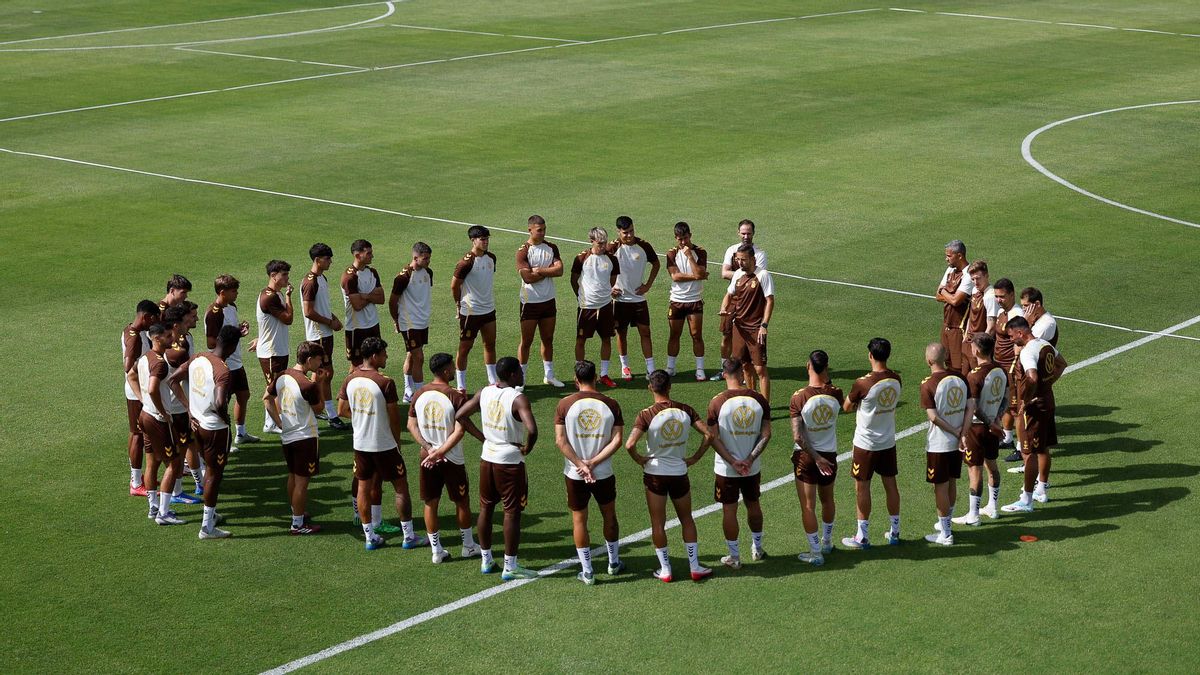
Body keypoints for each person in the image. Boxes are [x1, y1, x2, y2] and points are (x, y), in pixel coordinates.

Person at [625, 370, 718, 582]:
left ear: (650, 388)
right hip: (679, 473)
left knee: (658, 523)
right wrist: (694, 457)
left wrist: (639, 458)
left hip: (655, 474)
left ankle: (665, 569)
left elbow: (629, 444)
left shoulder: (646, 414)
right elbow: (709, 435)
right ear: (670, 387)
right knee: (687, 519)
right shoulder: (685, 410)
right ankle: (694, 567)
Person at [337, 337, 428, 550]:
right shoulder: (385, 382)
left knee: (363, 487)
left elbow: (341, 410)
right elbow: (394, 418)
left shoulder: (349, 379)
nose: (387, 356)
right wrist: (397, 442)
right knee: (400, 487)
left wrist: (362, 417)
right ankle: (409, 536)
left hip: (360, 444)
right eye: (384, 353)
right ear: (375, 355)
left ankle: (370, 537)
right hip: (384, 444)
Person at [455, 357, 539, 580]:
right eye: (519, 371)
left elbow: (460, 415)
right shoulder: (518, 398)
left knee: (486, 508)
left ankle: (486, 559)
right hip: (509, 461)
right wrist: (527, 448)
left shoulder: (485, 392)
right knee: (511, 512)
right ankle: (510, 565)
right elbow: (532, 429)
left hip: (487, 458)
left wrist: (483, 438)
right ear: (512, 375)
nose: (522, 374)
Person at [554, 360, 626, 584]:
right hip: (603, 472)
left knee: (579, 520)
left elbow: (560, 441)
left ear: (576, 380)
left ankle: (587, 571)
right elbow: (617, 440)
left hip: (575, 473)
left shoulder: (564, 404)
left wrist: (581, 464)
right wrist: (594, 463)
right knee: (609, 515)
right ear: (595, 377)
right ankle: (613, 562)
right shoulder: (611, 404)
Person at [409, 352, 483, 564]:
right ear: (445, 371)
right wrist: (440, 452)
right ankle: (468, 546)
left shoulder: (419, 393)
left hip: (427, 457)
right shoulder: (454, 396)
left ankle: (436, 550)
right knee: (461, 501)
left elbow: (411, 425)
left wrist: (429, 448)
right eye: (451, 367)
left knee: (430, 503)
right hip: (451, 459)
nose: (453, 370)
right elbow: (460, 431)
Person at [167, 324, 241, 539]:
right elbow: (219, 402)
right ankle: (207, 527)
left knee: (209, 470)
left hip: (197, 424)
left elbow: (173, 380)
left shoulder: (198, 357)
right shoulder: (223, 370)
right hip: (215, 429)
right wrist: (224, 415)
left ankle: (212, 515)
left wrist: (189, 408)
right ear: (233, 346)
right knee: (214, 474)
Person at [708, 358, 771, 569]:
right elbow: (766, 434)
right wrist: (750, 459)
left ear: (724, 374)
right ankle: (758, 548)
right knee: (753, 504)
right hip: (752, 467)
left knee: (729, 510)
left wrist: (733, 462)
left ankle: (734, 557)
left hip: (727, 469)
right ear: (743, 374)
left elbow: (713, 438)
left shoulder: (717, 402)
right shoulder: (759, 399)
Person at [842, 338, 903, 549]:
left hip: (865, 444)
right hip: (887, 441)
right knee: (891, 485)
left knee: (862, 487)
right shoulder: (896, 379)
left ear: (870, 355)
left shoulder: (863, 383)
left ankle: (862, 536)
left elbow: (847, 407)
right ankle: (895, 532)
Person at [1002, 317, 1068, 512]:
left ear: (1020, 333)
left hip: (1034, 407)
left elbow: (1031, 377)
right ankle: (1041, 490)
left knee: (1028, 452)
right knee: (1043, 447)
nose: (1011, 340)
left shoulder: (1028, 351)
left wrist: (1025, 400)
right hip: (1048, 400)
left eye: (1012, 336)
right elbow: (1062, 363)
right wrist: (1047, 385)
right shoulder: (1044, 344)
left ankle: (1027, 499)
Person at [264, 340, 326, 535]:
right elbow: (319, 408)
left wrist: (279, 422)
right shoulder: (308, 385)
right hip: (305, 436)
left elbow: (266, 397)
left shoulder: (283, 375)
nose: (321, 364)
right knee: (302, 482)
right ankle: (297, 525)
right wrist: (320, 384)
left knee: (292, 475)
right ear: (309, 360)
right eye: (318, 360)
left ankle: (296, 512)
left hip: (288, 435)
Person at [790, 349, 843, 565]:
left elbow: (798, 436)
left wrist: (815, 457)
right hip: (829, 453)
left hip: (806, 457)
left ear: (808, 366)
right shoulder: (836, 393)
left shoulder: (799, 397)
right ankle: (827, 542)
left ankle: (815, 552)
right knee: (828, 499)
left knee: (808, 506)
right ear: (826, 367)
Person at [131, 324, 185, 525]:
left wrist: (142, 399)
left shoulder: (144, 357)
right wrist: (163, 411)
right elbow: (153, 389)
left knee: (152, 461)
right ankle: (164, 513)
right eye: (167, 335)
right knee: (174, 463)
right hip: (157, 419)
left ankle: (153, 506)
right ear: (157, 338)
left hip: (145, 415)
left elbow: (131, 375)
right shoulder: (160, 363)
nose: (172, 338)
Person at [953, 334, 1008, 525]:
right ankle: (992, 507)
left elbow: (974, 406)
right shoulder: (1001, 370)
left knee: (974, 471)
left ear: (976, 350)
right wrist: (998, 418)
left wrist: (989, 422)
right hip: (993, 427)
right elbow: (1006, 399)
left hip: (977, 429)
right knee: (992, 466)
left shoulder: (975, 375)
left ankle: (973, 515)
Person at [920, 343, 971, 546]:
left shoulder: (928, 384)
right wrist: (963, 433)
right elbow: (970, 407)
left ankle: (946, 534)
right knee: (951, 483)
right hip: (957, 443)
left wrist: (955, 431)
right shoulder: (960, 378)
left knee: (939, 487)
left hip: (939, 444)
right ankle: (945, 525)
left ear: (929, 361)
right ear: (946, 356)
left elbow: (933, 417)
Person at [205, 275, 257, 448]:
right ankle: (222, 439)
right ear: (222, 292)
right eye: (233, 291)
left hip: (236, 362)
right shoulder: (214, 313)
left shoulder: (231, 306)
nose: (237, 294)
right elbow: (211, 342)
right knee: (222, 402)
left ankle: (241, 434)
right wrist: (233, 335)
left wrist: (239, 330)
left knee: (244, 395)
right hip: (223, 365)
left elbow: (231, 331)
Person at [718, 244, 774, 399]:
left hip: (756, 328)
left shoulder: (763, 275)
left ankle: (765, 405)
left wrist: (764, 325)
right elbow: (729, 294)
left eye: (743, 260)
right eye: (738, 259)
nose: (740, 263)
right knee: (745, 366)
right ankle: (753, 399)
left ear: (753, 259)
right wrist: (724, 308)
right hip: (739, 327)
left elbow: (770, 300)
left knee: (760, 369)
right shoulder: (737, 274)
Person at [301, 243, 347, 428]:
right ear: (317, 260)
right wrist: (329, 322)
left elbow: (322, 306)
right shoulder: (310, 282)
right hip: (318, 334)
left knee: (323, 373)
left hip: (325, 333)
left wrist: (333, 318)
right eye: (327, 258)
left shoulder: (322, 279)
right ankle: (329, 414)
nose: (330, 262)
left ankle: (316, 410)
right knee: (323, 373)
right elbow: (308, 311)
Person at [715, 219, 768, 380]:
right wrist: (741, 275)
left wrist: (739, 275)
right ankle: (725, 368)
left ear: (753, 233)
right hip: (733, 300)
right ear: (738, 233)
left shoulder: (759, 254)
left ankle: (747, 370)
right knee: (726, 334)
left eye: (749, 233)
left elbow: (757, 278)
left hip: (751, 302)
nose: (746, 236)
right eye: (743, 233)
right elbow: (724, 273)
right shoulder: (731, 250)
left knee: (747, 336)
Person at [515, 216, 565, 387]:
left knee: (548, 339)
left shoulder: (551, 247)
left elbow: (560, 271)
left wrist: (540, 270)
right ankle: (520, 379)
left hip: (548, 300)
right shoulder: (523, 251)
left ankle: (549, 375)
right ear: (530, 230)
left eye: (544, 229)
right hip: (530, 302)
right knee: (526, 341)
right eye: (539, 230)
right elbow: (527, 277)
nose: (543, 232)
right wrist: (548, 271)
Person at [609, 216, 659, 381]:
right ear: (618, 232)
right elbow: (601, 267)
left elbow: (656, 263)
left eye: (631, 231)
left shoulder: (643, 246)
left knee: (645, 332)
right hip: (620, 300)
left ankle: (650, 369)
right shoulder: (612, 247)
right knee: (621, 334)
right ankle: (625, 367)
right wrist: (610, 288)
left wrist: (648, 285)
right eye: (625, 233)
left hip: (638, 299)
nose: (629, 235)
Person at [163, 303, 203, 505]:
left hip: (184, 403)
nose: (195, 319)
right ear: (178, 323)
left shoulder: (186, 338)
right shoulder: (175, 348)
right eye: (191, 317)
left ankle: (199, 484)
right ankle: (175, 494)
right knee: (179, 450)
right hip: (176, 406)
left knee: (190, 444)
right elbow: (180, 376)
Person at [570, 227, 621, 386]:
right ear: (591, 241)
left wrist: (607, 293)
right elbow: (574, 280)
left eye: (605, 242)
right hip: (587, 307)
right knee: (581, 340)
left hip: (606, 305)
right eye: (600, 243)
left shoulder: (612, 259)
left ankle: (604, 374)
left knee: (606, 339)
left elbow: (612, 281)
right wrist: (581, 296)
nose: (603, 246)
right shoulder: (581, 258)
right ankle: (579, 376)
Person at [451, 226, 499, 392]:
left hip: (488, 310)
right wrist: (459, 304)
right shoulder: (465, 262)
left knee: (490, 344)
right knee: (465, 348)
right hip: (470, 312)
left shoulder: (491, 258)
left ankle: (492, 380)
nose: (485, 242)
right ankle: (461, 384)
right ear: (473, 240)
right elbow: (454, 286)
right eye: (482, 239)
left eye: (487, 239)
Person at [390, 242, 435, 402]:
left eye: (429, 258)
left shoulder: (428, 272)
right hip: (409, 322)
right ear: (415, 257)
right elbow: (392, 301)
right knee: (419, 357)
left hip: (422, 321)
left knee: (411, 354)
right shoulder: (403, 277)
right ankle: (419, 394)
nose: (428, 261)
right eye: (425, 258)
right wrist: (396, 320)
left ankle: (408, 391)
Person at [123, 300, 160, 496]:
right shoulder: (135, 338)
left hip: (135, 391)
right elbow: (128, 366)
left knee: (135, 434)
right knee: (138, 436)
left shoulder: (129, 330)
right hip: (136, 393)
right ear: (145, 317)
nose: (153, 323)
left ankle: (139, 479)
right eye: (152, 319)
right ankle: (136, 483)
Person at [664, 222, 709, 381]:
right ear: (675, 238)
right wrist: (698, 276)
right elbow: (675, 276)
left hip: (694, 300)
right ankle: (670, 368)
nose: (683, 242)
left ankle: (700, 369)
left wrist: (690, 256)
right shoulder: (671, 254)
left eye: (685, 238)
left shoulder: (700, 252)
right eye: (679, 239)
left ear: (690, 235)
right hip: (676, 300)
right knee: (674, 334)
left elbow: (699, 271)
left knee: (696, 335)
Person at [255, 260, 294, 435]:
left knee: (274, 387)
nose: (287, 278)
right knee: (274, 390)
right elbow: (288, 318)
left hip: (276, 349)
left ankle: (270, 423)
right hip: (272, 352)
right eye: (284, 274)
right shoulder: (270, 296)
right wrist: (288, 297)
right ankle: (279, 424)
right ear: (273, 276)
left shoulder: (272, 293)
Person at [991, 278, 1023, 459]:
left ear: (1012, 294)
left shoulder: (1017, 315)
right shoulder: (1003, 311)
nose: (998, 300)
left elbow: (1019, 342)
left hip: (1011, 366)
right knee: (1005, 405)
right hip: (1001, 364)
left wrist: (1015, 365)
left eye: (1002, 296)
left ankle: (1020, 447)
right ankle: (1007, 438)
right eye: (996, 296)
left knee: (1015, 407)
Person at [341, 239, 384, 369]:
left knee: (374, 361)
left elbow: (381, 298)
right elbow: (357, 305)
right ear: (358, 255)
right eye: (369, 253)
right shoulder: (350, 277)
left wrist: (364, 296)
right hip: (356, 327)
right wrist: (372, 296)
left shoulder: (372, 272)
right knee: (357, 365)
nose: (372, 256)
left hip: (373, 324)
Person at [934, 240, 975, 376]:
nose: (946, 259)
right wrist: (948, 295)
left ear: (960, 255)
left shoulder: (969, 275)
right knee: (946, 361)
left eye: (949, 256)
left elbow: (956, 301)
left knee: (959, 366)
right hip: (946, 324)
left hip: (959, 327)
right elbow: (937, 295)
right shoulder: (950, 270)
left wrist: (945, 292)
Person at [962, 260, 1001, 371]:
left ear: (986, 276)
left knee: (977, 378)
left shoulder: (990, 296)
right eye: (972, 279)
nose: (975, 282)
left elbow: (991, 327)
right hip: (969, 342)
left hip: (979, 347)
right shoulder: (975, 290)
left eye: (978, 278)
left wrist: (980, 347)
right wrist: (965, 336)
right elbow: (971, 315)